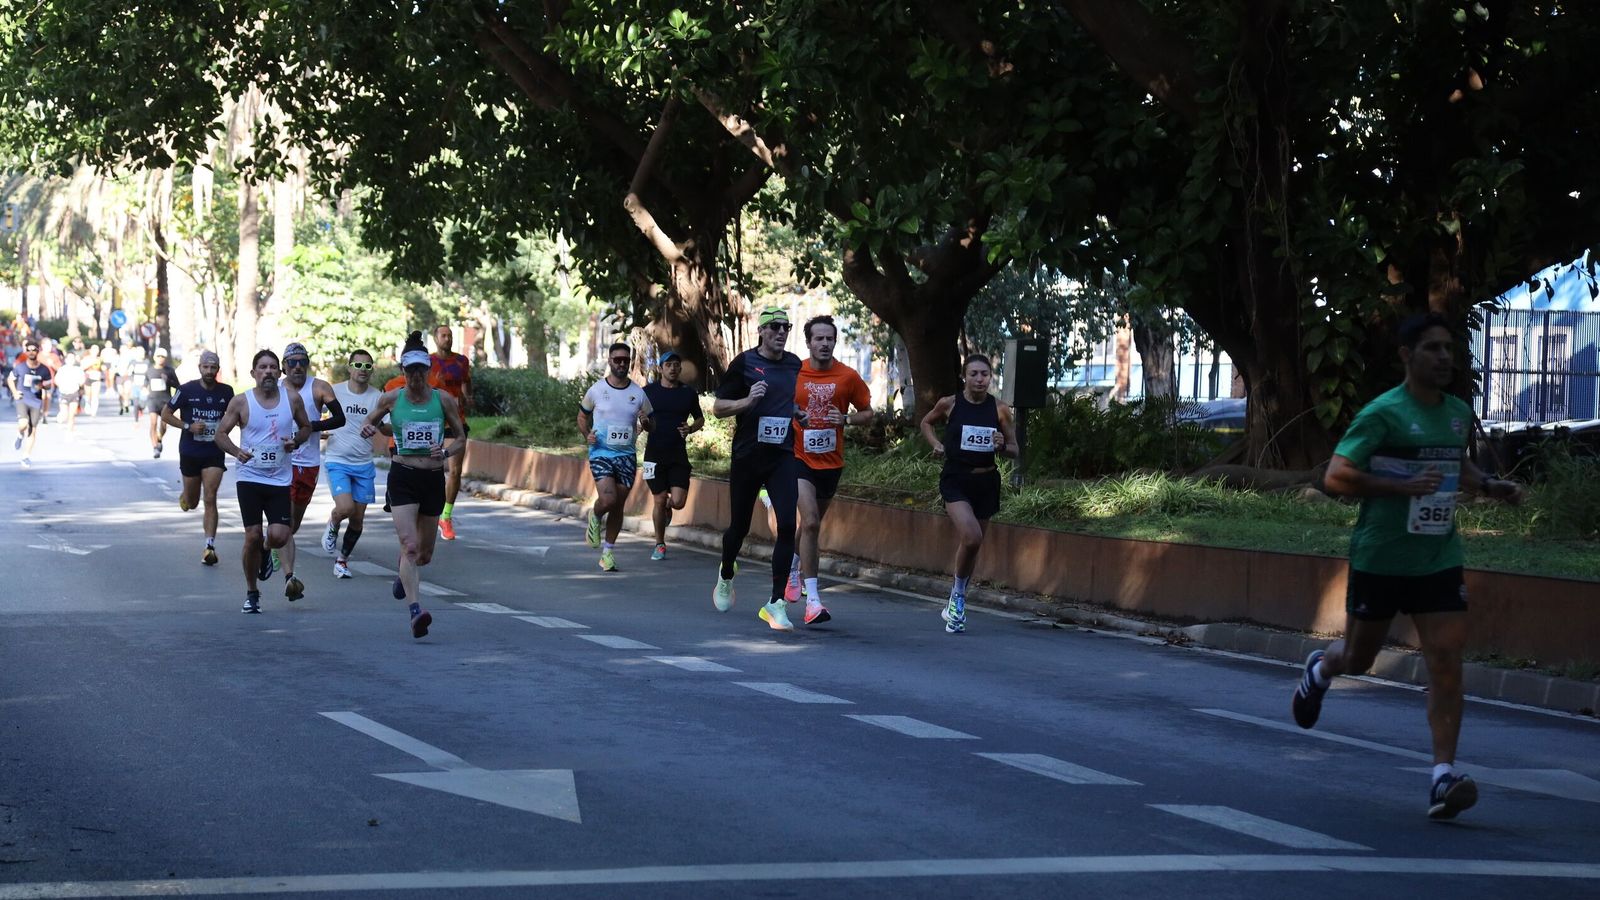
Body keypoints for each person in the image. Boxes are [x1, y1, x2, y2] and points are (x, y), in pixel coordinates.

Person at [1291, 312, 1527, 821]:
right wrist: (1399, 488)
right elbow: (1337, 476)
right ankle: (1321, 668)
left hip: (1438, 555)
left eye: (1449, 348)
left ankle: (1443, 777)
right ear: (1407, 355)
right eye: (1433, 349)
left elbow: (1453, 464)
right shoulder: (1383, 414)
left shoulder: (1458, 412)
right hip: (1382, 555)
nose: (1445, 358)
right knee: (1358, 659)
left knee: (1445, 658)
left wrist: (1486, 485)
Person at [361, 331, 467, 640]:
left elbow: (460, 437)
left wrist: (445, 452)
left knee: (423, 555)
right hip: (403, 476)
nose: (417, 376)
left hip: (433, 478)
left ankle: (404, 575)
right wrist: (371, 429)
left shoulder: (442, 399)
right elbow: (372, 422)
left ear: (429, 371)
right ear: (403, 371)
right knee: (409, 546)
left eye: (422, 370)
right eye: (411, 370)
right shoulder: (392, 398)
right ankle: (415, 611)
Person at [711, 305, 804, 632]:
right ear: (761, 332)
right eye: (775, 327)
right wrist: (747, 402)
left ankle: (776, 603)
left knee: (788, 526)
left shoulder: (794, 364)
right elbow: (718, 407)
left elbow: (786, 399)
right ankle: (725, 573)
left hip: (781, 455)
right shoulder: (745, 363)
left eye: (786, 327)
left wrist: (797, 412)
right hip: (748, 456)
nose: (781, 332)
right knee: (739, 527)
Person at [918, 354, 1019, 634]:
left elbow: (1015, 449)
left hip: (986, 481)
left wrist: (1001, 445)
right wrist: (936, 444)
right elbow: (927, 422)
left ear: (990, 377)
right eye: (974, 374)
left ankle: (956, 596)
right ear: (965, 376)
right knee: (971, 536)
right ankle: (959, 597)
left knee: (974, 545)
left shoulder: (999, 409)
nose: (979, 379)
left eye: (984, 374)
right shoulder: (950, 403)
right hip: (956, 479)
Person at [784, 315, 873, 625]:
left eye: (829, 339)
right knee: (809, 522)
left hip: (831, 463)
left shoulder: (848, 377)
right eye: (818, 339)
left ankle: (793, 566)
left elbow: (868, 413)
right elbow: (777, 405)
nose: (824, 343)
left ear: (835, 342)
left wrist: (846, 420)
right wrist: (794, 412)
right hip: (797, 458)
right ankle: (814, 602)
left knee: (811, 525)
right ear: (808, 343)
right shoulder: (795, 372)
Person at [212, 350, 313, 614]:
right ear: (253, 373)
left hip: (279, 478)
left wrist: (297, 440)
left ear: (279, 373)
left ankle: (267, 551)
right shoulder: (241, 402)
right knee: (253, 535)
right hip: (250, 478)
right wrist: (236, 452)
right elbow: (220, 434)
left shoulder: (291, 399)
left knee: (279, 535)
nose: (268, 371)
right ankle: (252, 592)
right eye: (262, 367)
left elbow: (306, 428)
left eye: (272, 367)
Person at [277, 342, 345, 602]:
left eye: (301, 362)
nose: (297, 367)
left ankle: (273, 543)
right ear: (284, 366)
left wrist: (311, 426)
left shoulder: (319, 387)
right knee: (282, 521)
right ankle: (289, 576)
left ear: (308, 364)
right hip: (282, 463)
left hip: (308, 464)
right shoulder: (276, 388)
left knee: (292, 524)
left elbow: (339, 419)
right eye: (291, 362)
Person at [578, 342, 652, 572]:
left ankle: (608, 553)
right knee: (608, 500)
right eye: (616, 359)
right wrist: (587, 434)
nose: (621, 363)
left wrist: (646, 421)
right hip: (601, 452)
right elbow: (582, 417)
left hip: (626, 456)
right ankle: (596, 513)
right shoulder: (597, 390)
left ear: (629, 363)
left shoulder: (638, 394)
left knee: (619, 504)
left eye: (625, 360)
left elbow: (651, 423)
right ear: (609, 361)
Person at [161, 350, 235, 565]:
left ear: (218, 369)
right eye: (206, 367)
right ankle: (186, 495)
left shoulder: (226, 392)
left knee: (210, 496)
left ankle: (209, 546)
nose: (209, 371)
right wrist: (188, 426)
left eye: (213, 368)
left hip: (214, 452)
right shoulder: (186, 390)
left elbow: (237, 415)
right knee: (193, 502)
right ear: (200, 368)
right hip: (190, 451)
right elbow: (166, 414)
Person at [320, 350, 381, 579]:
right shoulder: (334, 392)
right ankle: (334, 521)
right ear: (349, 367)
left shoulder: (377, 396)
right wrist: (319, 430)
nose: (362, 370)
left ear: (372, 370)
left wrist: (377, 428)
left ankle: (342, 560)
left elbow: (386, 425)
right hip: (338, 460)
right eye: (358, 365)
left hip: (364, 463)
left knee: (357, 519)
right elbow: (314, 413)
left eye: (367, 366)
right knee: (345, 508)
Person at [641, 350, 704, 560]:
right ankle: (659, 543)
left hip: (678, 455)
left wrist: (691, 429)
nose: (673, 368)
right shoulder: (648, 392)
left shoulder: (688, 393)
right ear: (660, 368)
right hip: (654, 454)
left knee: (678, 502)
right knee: (658, 499)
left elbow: (699, 419)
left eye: (677, 365)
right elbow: (640, 419)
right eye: (668, 365)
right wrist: (642, 424)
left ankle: (669, 507)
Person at [428, 325, 473, 541]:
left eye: (450, 336)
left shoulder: (461, 361)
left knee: (455, 472)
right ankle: (427, 513)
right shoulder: (427, 362)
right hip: (433, 420)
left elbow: (467, 386)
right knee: (431, 469)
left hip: (457, 421)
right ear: (435, 338)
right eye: (444, 335)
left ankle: (446, 516)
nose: (448, 339)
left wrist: (465, 399)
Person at [8, 339, 53, 467]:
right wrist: (15, 392)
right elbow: (10, 379)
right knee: (23, 423)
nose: (31, 352)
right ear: (26, 352)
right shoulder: (20, 367)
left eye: (34, 349)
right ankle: (20, 433)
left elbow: (49, 385)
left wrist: (43, 386)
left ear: (38, 351)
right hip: (23, 399)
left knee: (32, 430)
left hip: (36, 401)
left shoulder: (44, 369)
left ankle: (26, 456)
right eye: (29, 350)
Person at [145, 349, 179, 456]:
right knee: (153, 423)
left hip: (165, 400)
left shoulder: (169, 370)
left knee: (163, 425)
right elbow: (146, 383)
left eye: (162, 356)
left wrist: (168, 380)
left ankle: (159, 438)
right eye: (158, 356)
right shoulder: (149, 370)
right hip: (152, 400)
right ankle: (155, 447)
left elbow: (178, 386)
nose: (160, 358)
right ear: (154, 357)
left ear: (165, 358)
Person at [53, 353, 86, 433]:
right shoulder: (62, 369)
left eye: (72, 359)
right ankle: (60, 418)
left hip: (74, 393)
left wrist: (79, 383)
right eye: (69, 359)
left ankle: (70, 430)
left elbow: (82, 381)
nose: (71, 361)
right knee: (64, 413)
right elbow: (56, 380)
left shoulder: (78, 370)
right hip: (63, 393)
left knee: (72, 414)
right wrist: (61, 385)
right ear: (66, 360)